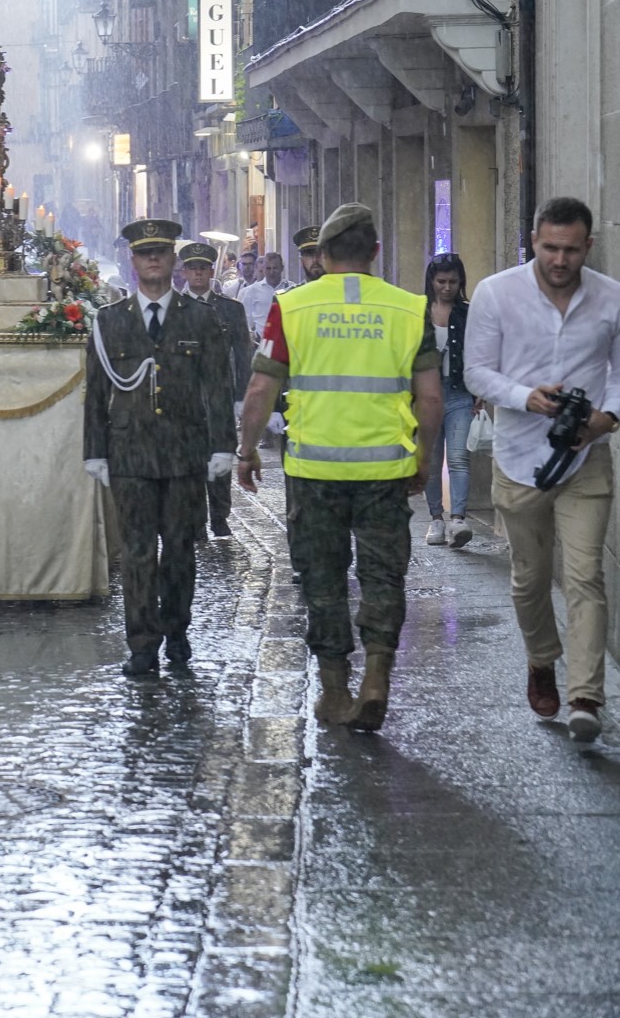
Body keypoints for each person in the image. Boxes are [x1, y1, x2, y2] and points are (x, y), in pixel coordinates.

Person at [236, 204, 442, 734]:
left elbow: (262, 388)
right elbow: (431, 398)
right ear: (375, 253)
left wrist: (248, 449)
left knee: (322, 580)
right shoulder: (408, 307)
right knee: (382, 576)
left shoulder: (292, 307)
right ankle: (376, 678)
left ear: (322, 257)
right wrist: (423, 460)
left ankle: (333, 691)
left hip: (315, 471)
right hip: (384, 469)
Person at [466, 197, 620, 743]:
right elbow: (477, 372)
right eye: (550, 247)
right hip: (518, 459)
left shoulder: (610, 298)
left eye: (571, 250)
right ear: (533, 241)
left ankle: (585, 696)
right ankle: (540, 658)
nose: (560, 259)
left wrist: (606, 416)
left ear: (588, 247)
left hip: (585, 457)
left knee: (585, 577)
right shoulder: (495, 293)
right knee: (530, 580)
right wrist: (524, 396)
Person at [84, 219, 237, 677]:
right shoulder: (109, 322)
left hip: (184, 453)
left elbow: (217, 384)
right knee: (136, 552)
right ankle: (142, 644)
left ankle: (177, 630)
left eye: (161, 252)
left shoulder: (201, 319)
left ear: (173, 260)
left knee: (179, 550)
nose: (153, 259)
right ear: (132, 263)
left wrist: (222, 447)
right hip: (129, 454)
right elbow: (94, 392)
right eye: (144, 253)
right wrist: (95, 450)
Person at [181, 242, 254, 538]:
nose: (198, 273)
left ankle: (220, 516)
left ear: (212, 271)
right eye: (193, 268)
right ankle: (196, 520)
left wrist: (241, 397)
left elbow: (242, 354)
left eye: (203, 268)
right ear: (184, 271)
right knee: (190, 461)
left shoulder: (230, 309)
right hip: (185, 397)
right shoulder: (174, 308)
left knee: (221, 456)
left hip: (220, 394)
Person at [423, 253, 481, 548]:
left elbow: (480, 352)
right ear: (431, 281)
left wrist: (479, 390)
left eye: (453, 282)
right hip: (427, 394)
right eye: (441, 281)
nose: (447, 287)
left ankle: (458, 518)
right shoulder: (419, 311)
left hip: (459, 392)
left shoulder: (467, 313)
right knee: (431, 461)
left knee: (459, 458)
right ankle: (436, 518)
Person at [238, 250, 294, 339]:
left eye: (275, 268)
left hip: (287, 342)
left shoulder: (292, 289)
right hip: (261, 344)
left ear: (282, 268)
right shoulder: (253, 290)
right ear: (263, 269)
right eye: (268, 268)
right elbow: (245, 319)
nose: (272, 272)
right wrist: (250, 334)